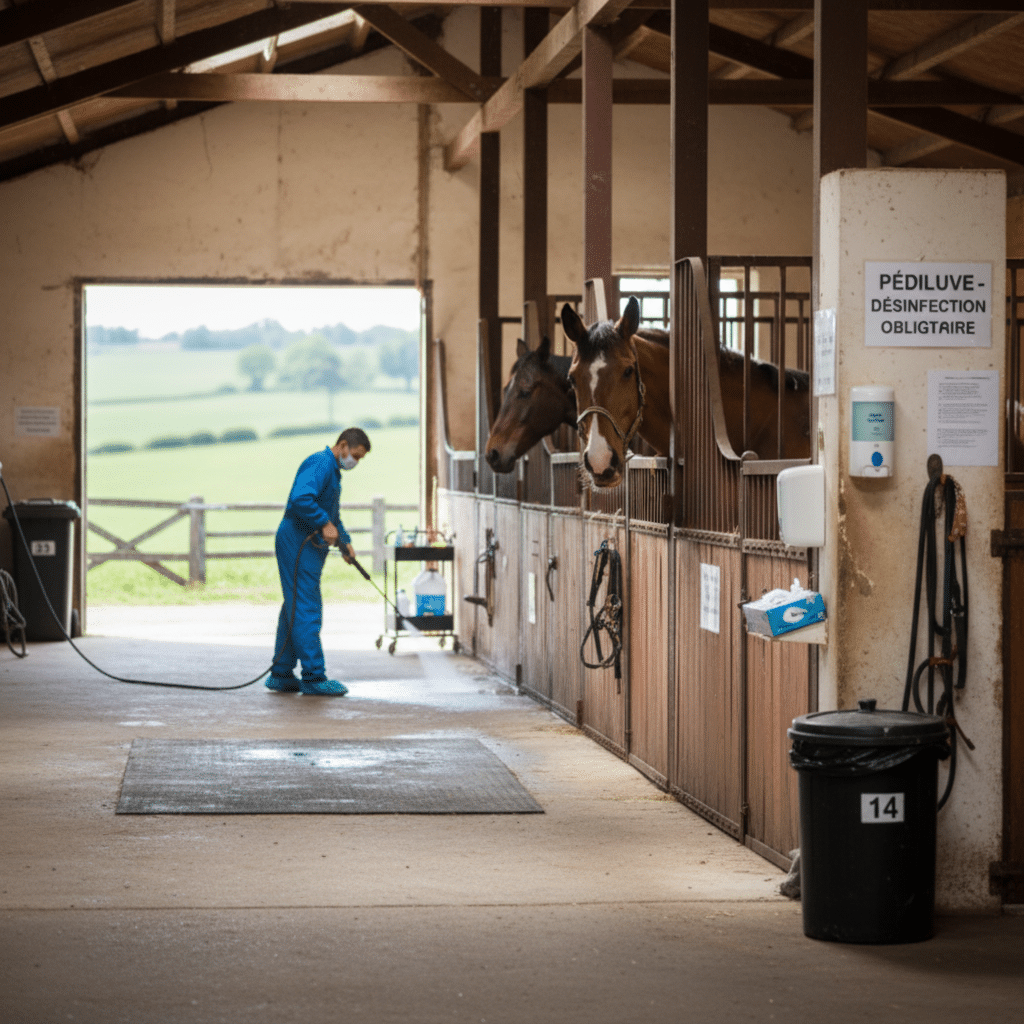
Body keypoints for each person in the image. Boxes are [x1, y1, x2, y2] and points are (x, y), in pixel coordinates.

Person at [266, 427, 370, 696]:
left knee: (295, 604)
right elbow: (302, 498)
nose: (355, 463)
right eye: (355, 456)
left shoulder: (332, 471)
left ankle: (281, 672)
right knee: (306, 606)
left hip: (307, 544)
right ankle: (313, 676)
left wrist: (344, 542)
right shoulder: (320, 463)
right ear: (343, 445)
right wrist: (324, 523)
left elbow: (331, 514)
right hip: (297, 541)